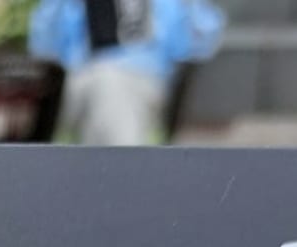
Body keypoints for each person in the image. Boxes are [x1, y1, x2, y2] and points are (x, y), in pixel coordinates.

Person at [26, 0, 222, 146]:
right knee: (104, 83)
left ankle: (111, 174)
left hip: (142, 79)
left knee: (110, 87)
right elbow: (42, 47)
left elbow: (203, 42)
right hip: (79, 81)